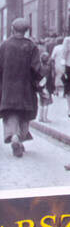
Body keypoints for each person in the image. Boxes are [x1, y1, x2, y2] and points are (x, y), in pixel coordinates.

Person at [0, 18, 42, 158]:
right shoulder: (31, 46)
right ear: (27, 31)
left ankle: (14, 136)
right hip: (26, 88)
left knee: (10, 114)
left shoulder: (4, 45)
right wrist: (39, 83)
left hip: (7, 88)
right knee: (24, 115)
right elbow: (36, 69)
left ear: (12, 29)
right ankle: (20, 137)